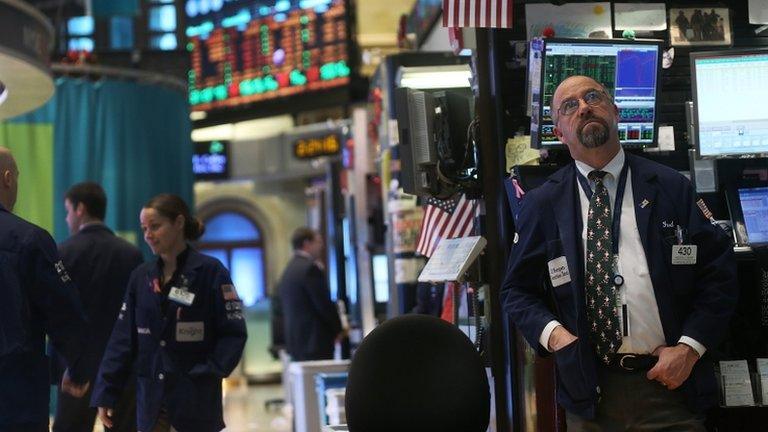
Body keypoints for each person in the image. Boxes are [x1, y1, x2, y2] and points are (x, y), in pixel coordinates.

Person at [502, 76, 738, 430]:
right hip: (589, 392)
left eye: (593, 97)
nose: (584, 107)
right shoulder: (542, 204)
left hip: (669, 384)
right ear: (560, 132)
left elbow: (719, 274)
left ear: (614, 111)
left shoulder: (671, 187)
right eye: (570, 106)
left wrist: (689, 348)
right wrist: (556, 336)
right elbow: (516, 291)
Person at [91, 193, 247, 432]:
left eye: (155, 226)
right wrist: (106, 391)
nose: (148, 235)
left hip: (196, 398)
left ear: (179, 223)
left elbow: (233, 333)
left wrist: (210, 371)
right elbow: (122, 339)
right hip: (152, 400)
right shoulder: (140, 277)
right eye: (144, 228)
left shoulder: (210, 272)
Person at [0, 147, 91, 431]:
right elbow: (64, 314)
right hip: (13, 398)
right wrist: (78, 368)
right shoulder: (28, 240)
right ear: (7, 179)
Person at [50, 182, 144, 432]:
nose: (67, 218)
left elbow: (56, 315)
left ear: (80, 209)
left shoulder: (63, 253)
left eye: (68, 210)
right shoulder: (131, 255)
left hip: (76, 368)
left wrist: (61, 366)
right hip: (122, 368)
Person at [278, 227, 342, 361]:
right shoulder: (311, 269)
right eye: (318, 242)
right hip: (315, 342)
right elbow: (323, 305)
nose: (321, 246)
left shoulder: (289, 269)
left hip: (296, 342)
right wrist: (338, 329)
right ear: (307, 243)